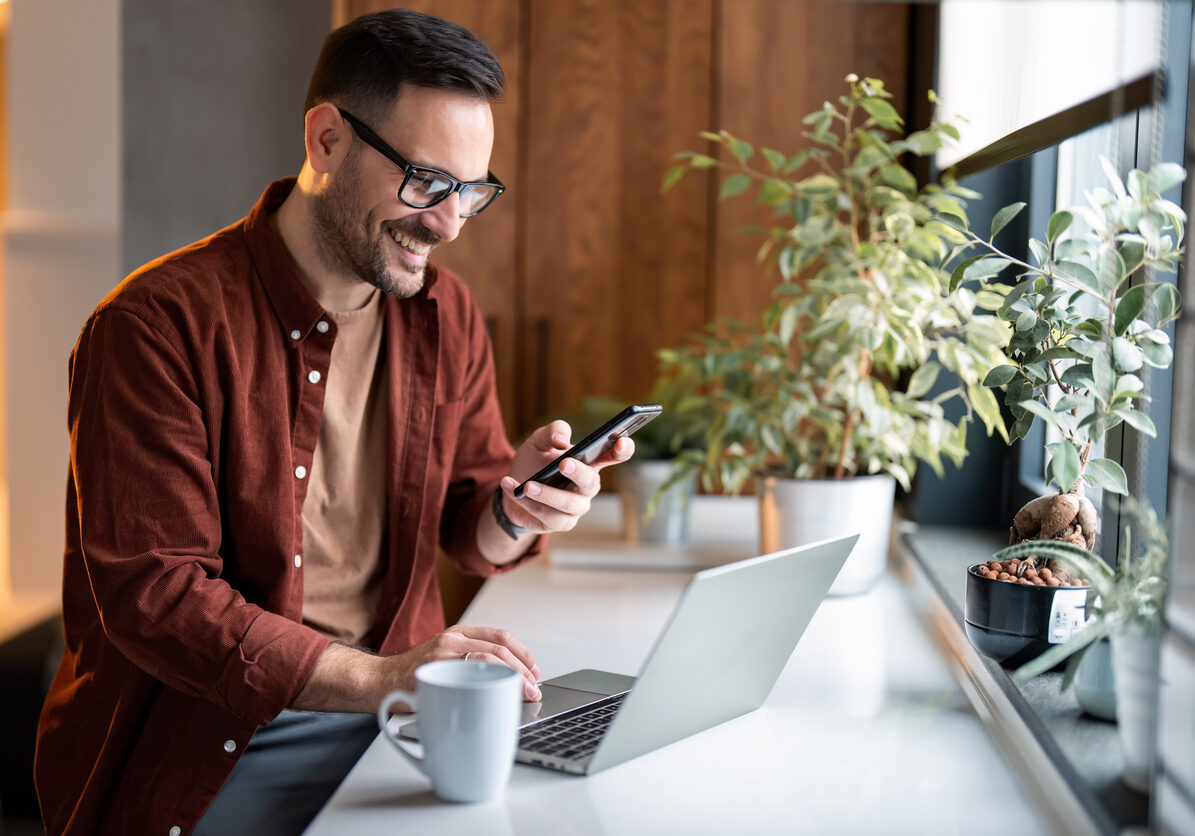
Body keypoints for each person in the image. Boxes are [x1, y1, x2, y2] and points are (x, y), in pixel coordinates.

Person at [34, 10, 633, 835]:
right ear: (326, 141)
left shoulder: (443, 314)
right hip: (219, 745)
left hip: (399, 715)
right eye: (427, 182)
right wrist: (388, 679)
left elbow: (467, 533)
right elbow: (157, 597)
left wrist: (515, 508)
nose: (449, 223)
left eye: (471, 191)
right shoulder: (154, 326)